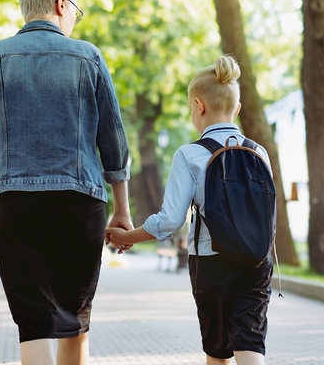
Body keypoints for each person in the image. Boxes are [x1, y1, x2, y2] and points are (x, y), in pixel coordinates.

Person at [0, 0, 132, 364]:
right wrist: (122, 212)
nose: (75, 17)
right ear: (61, 2)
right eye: (76, 8)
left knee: (35, 323)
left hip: (14, 205)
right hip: (79, 204)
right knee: (74, 320)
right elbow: (114, 144)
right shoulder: (88, 56)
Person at [107, 55, 272, 365]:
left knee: (217, 350)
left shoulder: (191, 154)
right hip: (257, 262)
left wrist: (127, 236)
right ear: (236, 109)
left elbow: (170, 221)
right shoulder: (258, 151)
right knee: (251, 345)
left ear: (198, 106)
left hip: (212, 264)